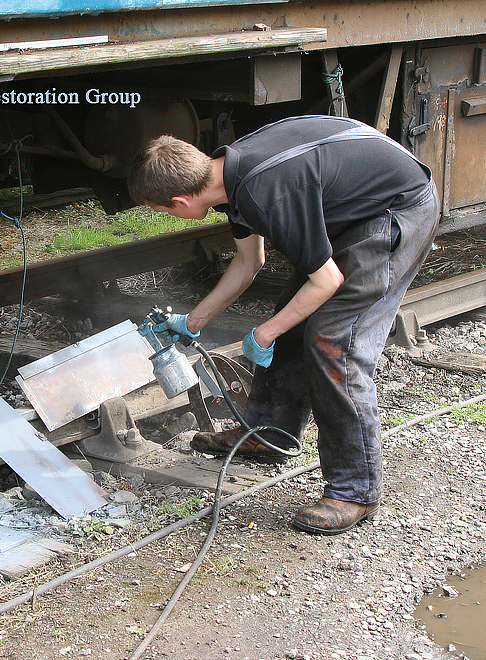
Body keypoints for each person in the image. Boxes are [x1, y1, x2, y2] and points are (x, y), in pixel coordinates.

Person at [127, 115, 440, 535]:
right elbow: (248, 262)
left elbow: (326, 281)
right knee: (291, 321)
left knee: (334, 343)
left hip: (396, 209)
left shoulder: (264, 191)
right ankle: (268, 435)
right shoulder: (228, 177)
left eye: (161, 210)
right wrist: (194, 320)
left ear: (180, 202)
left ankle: (354, 491)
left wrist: (265, 331)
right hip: (356, 206)